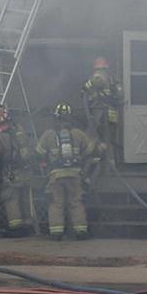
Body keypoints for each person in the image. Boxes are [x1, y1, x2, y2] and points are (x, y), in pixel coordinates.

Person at [36, 102, 98, 240]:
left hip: (56, 176)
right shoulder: (78, 134)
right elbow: (90, 151)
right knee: (76, 202)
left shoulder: (48, 135)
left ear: (56, 118)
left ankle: (56, 233)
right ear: (70, 118)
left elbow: (39, 153)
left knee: (56, 203)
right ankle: (81, 231)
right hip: (75, 175)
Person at [0, 106, 34, 237]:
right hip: (25, 172)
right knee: (24, 198)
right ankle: (28, 225)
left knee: (11, 199)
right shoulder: (19, 130)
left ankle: (16, 228)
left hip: (11, 174)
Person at [82, 56, 122, 164]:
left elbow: (85, 89)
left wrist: (88, 89)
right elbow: (119, 95)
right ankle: (110, 162)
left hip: (100, 115)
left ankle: (95, 161)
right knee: (108, 140)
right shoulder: (113, 79)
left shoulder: (97, 77)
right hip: (112, 116)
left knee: (91, 138)